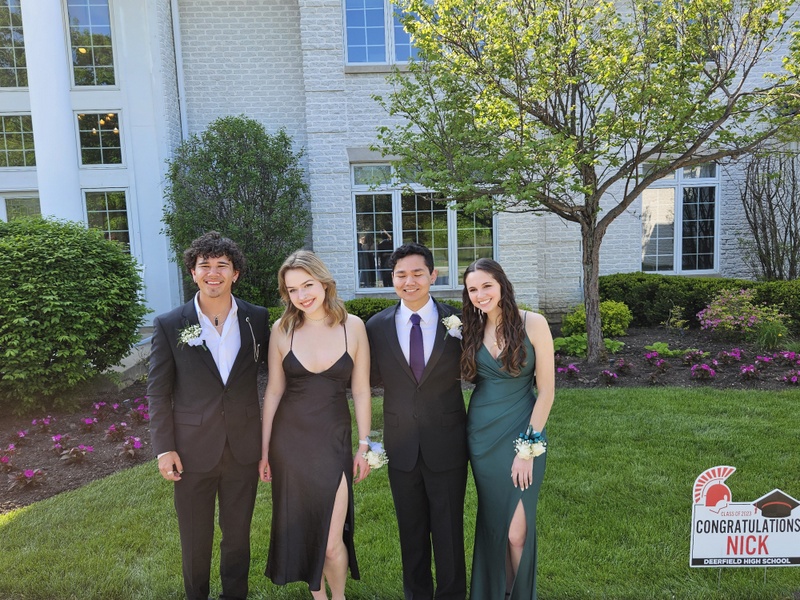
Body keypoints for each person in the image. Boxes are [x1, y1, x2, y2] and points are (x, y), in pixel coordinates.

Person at [148, 231, 270, 600]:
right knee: (194, 538)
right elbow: (158, 391)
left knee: (238, 537)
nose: (213, 273)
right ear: (193, 272)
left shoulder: (257, 318)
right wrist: (164, 448)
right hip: (191, 451)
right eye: (205, 265)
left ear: (235, 273)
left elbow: (274, 375)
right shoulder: (170, 324)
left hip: (243, 448)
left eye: (222, 265)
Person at [260, 250, 372, 600]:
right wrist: (264, 452)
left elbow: (361, 390)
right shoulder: (282, 330)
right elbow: (274, 391)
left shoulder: (354, 327)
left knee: (332, 542)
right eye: (292, 290)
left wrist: (365, 445)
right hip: (289, 445)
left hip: (332, 442)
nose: (302, 295)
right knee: (306, 533)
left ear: (324, 282)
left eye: (307, 285)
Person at [366, 242, 468, 600]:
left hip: (448, 440)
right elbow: (369, 379)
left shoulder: (458, 321)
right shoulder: (376, 326)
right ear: (392, 278)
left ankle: (452, 594)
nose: (409, 282)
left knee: (449, 529)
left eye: (417, 274)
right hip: (402, 443)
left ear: (432, 276)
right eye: (401, 275)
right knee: (410, 530)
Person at [461, 258, 555, 600]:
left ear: (502, 284)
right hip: (482, 435)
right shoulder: (470, 330)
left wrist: (527, 450)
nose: (481, 294)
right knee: (497, 524)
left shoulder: (534, 323)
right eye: (473, 289)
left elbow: (547, 391)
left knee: (517, 532)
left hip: (523, 430)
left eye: (486, 285)